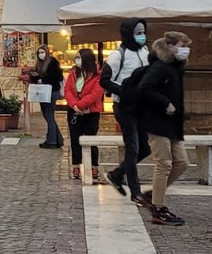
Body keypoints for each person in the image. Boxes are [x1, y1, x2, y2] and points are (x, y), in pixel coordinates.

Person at [135, 31, 193, 226]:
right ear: (170, 47)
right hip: (156, 122)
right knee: (164, 164)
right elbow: (144, 88)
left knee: (182, 163)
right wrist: (165, 103)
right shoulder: (159, 67)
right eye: (182, 45)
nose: (185, 49)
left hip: (172, 125)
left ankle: (152, 194)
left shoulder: (176, 68)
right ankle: (158, 208)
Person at [100, 18, 150, 202]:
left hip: (142, 107)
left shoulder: (145, 51)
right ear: (129, 34)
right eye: (138, 33)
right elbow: (104, 80)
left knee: (145, 149)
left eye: (143, 32)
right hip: (124, 106)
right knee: (133, 148)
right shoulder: (117, 55)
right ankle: (136, 192)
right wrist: (125, 91)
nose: (142, 36)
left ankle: (117, 174)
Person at [64, 48, 104, 180]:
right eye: (76, 57)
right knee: (75, 139)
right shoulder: (73, 73)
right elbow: (68, 90)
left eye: (79, 57)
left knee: (91, 138)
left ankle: (93, 167)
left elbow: (96, 94)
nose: (77, 60)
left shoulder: (97, 75)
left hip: (91, 112)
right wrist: (74, 105)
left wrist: (80, 105)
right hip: (74, 111)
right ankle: (76, 166)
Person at [28, 44, 64, 149]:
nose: (41, 55)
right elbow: (37, 76)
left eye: (42, 52)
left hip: (51, 92)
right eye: (39, 53)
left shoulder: (52, 63)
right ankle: (58, 139)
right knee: (48, 116)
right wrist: (34, 77)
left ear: (47, 52)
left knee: (49, 115)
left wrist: (42, 80)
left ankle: (51, 141)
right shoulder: (39, 64)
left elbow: (57, 77)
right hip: (43, 92)